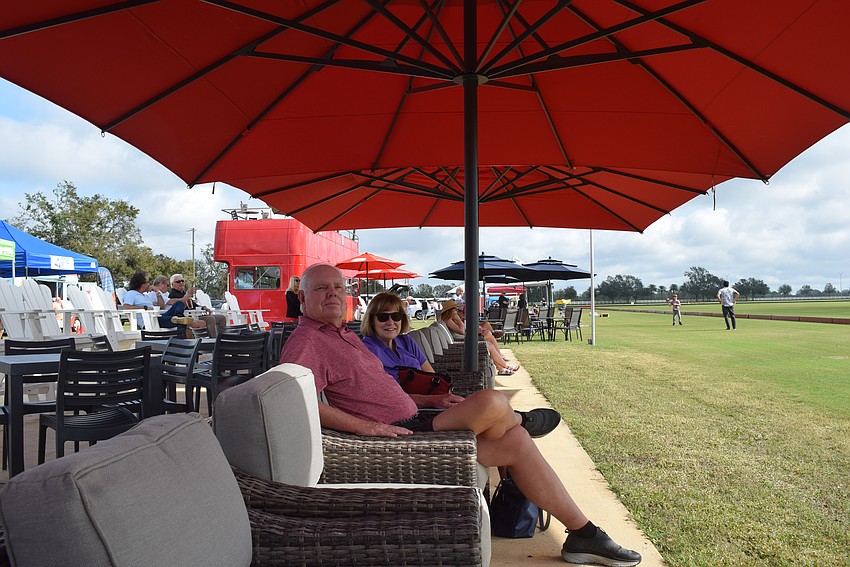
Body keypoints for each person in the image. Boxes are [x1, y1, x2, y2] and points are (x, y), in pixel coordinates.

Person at [281, 264, 641, 567]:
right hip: (397, 437)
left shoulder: (342, 334)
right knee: (493, 404)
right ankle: (521, 417)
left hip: (418, 417)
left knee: (514, 440)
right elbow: (296, 401)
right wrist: (369, 427)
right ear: (302, 297)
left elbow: (378, 389)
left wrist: (426, 400)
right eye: (322, 288)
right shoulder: (307, 342)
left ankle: (583, 535)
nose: (332, 294)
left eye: (338, 288)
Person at [440, 299, 519, 375]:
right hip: (461, 343)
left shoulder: (449, 320)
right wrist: (458, 320)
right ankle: (505, 366)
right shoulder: (448, 320)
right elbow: (462, 331)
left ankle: (501, 367)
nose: (457, 311)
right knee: (489, 342)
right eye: (455, 310)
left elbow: (462, 331)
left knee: (490, 338)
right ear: (450, 311)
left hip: (463, 340)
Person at [121, 272, 194, 333]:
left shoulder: (145, 296)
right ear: (141, 284)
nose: (149, 284)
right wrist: (145, 307)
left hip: (158, 317)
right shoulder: (131, 293)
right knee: (181, 322)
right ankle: (178, 319)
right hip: (149, 322)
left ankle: (178, 317)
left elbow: (162, 306)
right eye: (147, 282)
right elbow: (126, 307)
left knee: (179, 303)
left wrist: (157, 293)